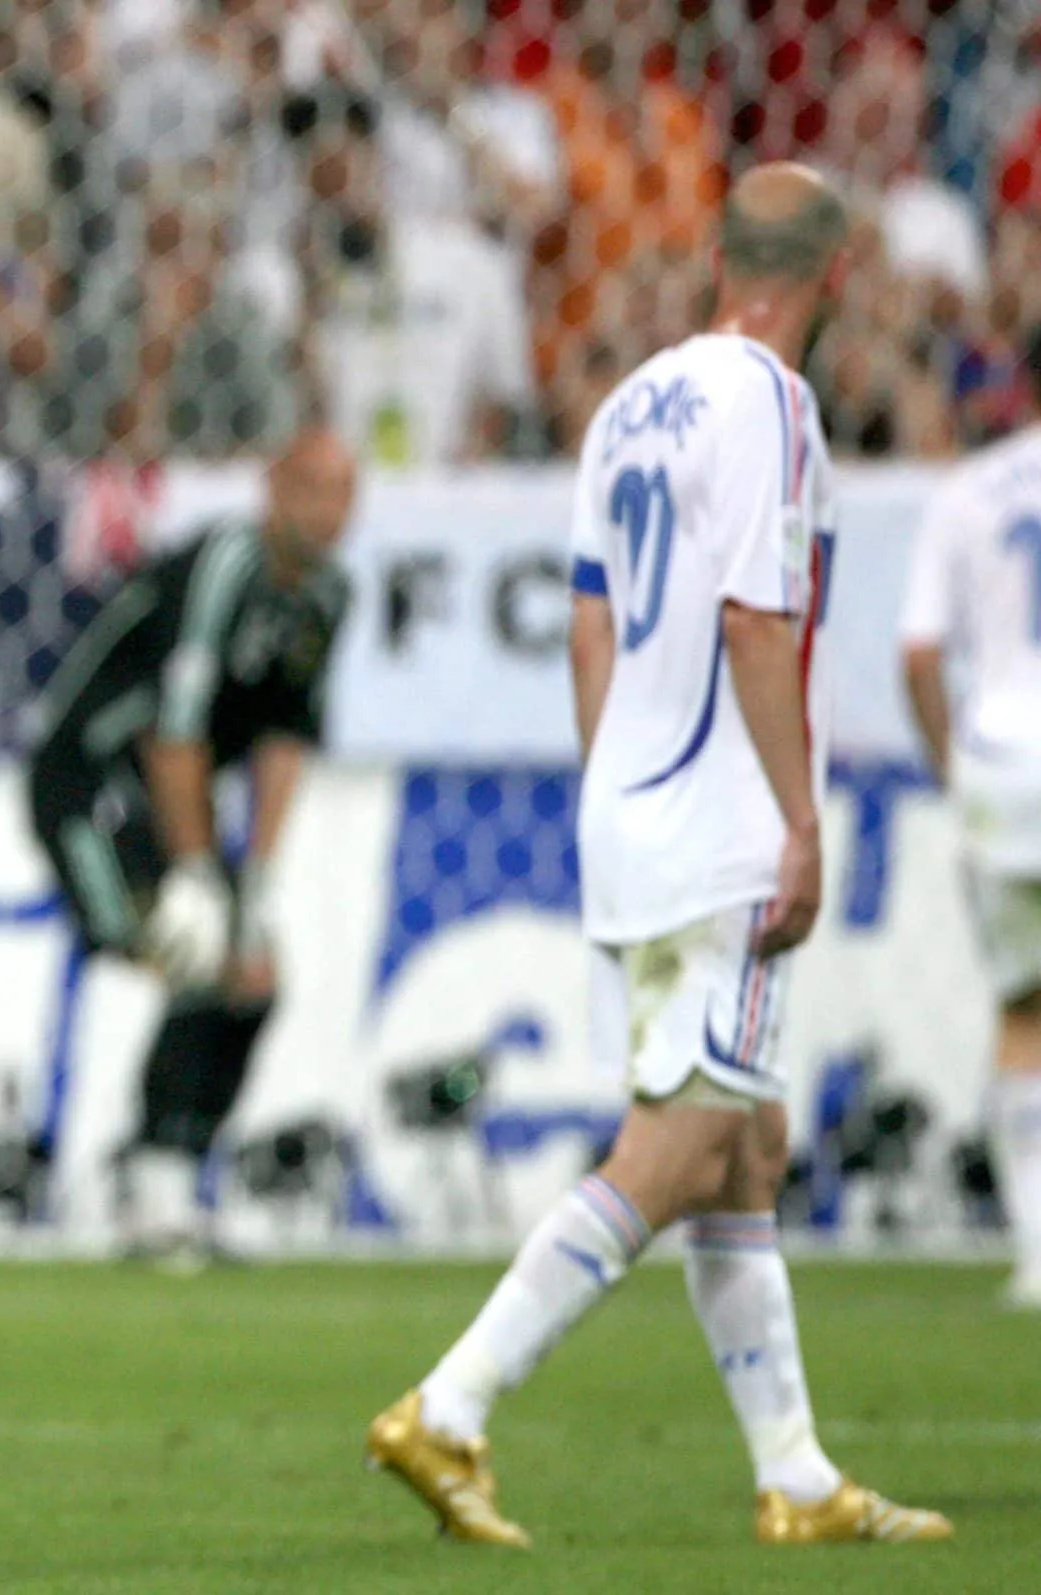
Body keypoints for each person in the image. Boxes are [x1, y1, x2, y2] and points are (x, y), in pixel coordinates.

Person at [367, 162, 953, 1548]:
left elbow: (587, 621)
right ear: (837, 274)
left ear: (715, 258)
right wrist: (801, 819)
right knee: (688, 1138)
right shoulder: (774, 405)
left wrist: (615, 782)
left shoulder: (632, 401)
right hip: (726, 822)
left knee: (745, 1141)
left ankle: (797, 1474)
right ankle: (452, 1403)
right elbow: (761, 621)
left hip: (631, 806)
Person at [26, 427, 357, 1263]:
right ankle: (148, 1185)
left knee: (253, 974)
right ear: (272, 488)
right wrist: (204, 876)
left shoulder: (329, 596)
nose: (332, 512)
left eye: (348, 493)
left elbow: (286, 739)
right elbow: (173, 734)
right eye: (315, 488)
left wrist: (261, 882)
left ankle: (169, 1170)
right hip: (90, 781)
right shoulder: (224, 568)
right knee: (199, 957)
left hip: (174, 802)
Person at [901, 330, 1041, 1309]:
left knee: (1021, 1010)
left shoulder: (965, 491)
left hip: (999, 765)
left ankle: (1037, 1251)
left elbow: (917, 654)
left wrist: (949, 763)